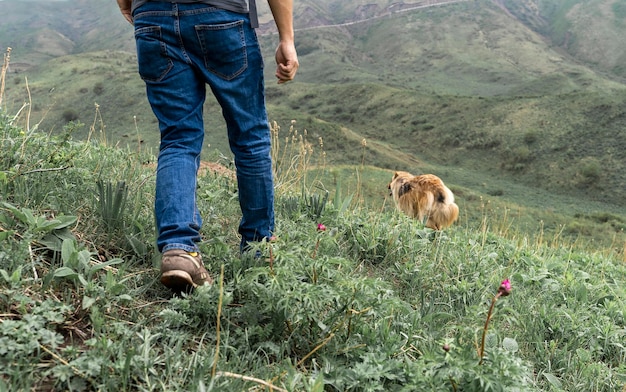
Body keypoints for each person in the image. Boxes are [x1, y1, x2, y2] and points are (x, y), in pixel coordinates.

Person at [115, 0, 299, 291]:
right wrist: (286, 38)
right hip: (220, 15)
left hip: (152, 17)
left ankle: (179, 249)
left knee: (178, 138)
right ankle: (258, 249)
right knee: (250, 137)